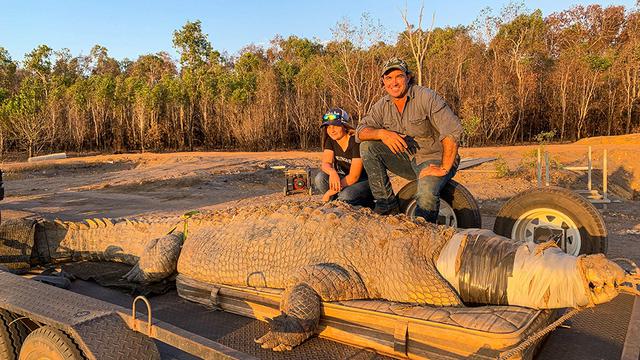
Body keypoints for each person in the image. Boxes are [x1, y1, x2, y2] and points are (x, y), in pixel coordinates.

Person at [356, 58, 463, 222]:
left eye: (398, 76)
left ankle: (423, 232)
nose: (394, 82)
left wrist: (444, 167)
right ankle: (387, 207)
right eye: (388, 78)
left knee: (426, 190)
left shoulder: (426, 97)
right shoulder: (382, 105)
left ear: (408, 77)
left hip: (434, 158)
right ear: (383, 82)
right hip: (407, 159)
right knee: (368, 147)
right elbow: (360, 131)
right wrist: (382, 134)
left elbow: (452, 130)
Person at [314, 108, 374, 207]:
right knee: (320, 178)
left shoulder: (355, 142)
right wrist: (332, 172)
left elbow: (354, 177)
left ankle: (364, 202)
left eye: (335, 126)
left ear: (344, 126)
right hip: (346, 179)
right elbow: (326, 163)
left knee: (346, 195)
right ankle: (337, 200)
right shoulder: (331, 140)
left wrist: (329, 192)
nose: (331, 130)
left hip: (363, 181)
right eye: (328, 127)